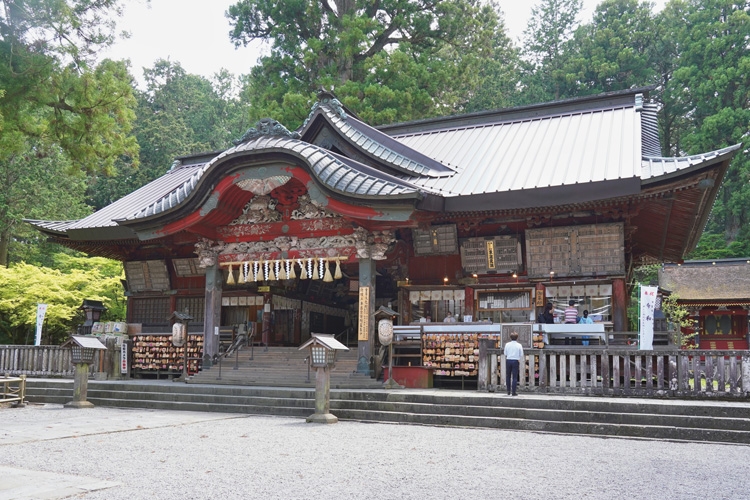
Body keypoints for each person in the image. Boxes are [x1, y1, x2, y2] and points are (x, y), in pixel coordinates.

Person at [503, 331, 524, 396]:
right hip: (515, 360)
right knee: (514, 377)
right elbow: (521, 354)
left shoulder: (507, 344)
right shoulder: (519, 345)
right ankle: (513, 392)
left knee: (508, 376)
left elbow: (505, 353)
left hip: (508, 360)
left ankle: (508, 391)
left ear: (510, 337)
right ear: (517, 338)